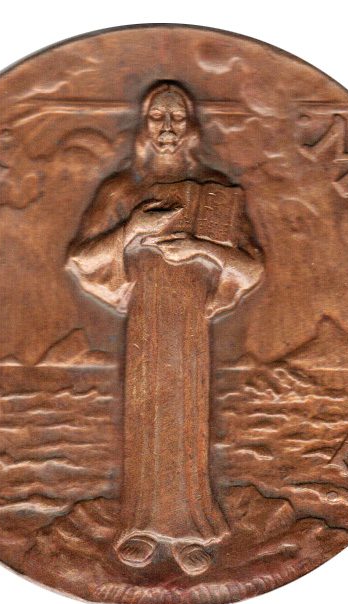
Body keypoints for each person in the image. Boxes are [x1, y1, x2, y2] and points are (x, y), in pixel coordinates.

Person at [66, 81, 263, 575]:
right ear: (144, 124)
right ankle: (139, 526)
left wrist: (201, 249)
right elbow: (80, 259)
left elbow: (251, 268)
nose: (168, 128)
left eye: (177, 117)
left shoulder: (216, 191)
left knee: (185, 415)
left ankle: (191, 528)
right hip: (146, 314)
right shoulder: (121, 189)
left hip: (190, 316)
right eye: (158, 117)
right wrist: (131, 230)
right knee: (147, 411)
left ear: (191, 124)